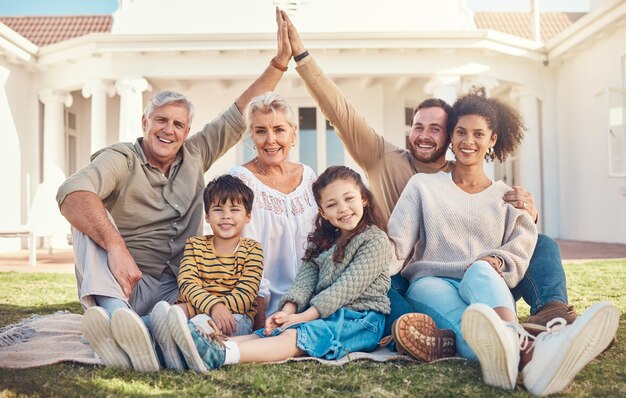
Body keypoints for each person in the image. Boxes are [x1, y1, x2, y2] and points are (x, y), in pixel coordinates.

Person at [279, 10, 574, 337]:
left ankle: (551, 313)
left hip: (478, 275)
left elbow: (504, 227)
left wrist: (529, 215)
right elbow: (340, 111)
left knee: (544, 243)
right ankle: (427, 333)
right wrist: (302, 57)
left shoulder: (459, 176)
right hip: (405, 272)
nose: (424, 135)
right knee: (382, 282)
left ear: (450, 135)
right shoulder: (384, 158)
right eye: (418, 126)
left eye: (436, 129)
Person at [56, 7, 293, 371]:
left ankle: (141, 331)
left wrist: (279, 63)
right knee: (87, 214)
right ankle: (119, 320)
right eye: (161, 121)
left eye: (178, 124)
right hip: (125, 283)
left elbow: (237, 112)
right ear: (145, 122)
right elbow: (72, 193)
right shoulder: (122, 158)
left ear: (187, 130)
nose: (169, 131)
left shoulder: (195, 153)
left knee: (184, 311)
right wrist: (116, 247)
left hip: (179, 292)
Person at [389, 89, 619, 396]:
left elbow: (526, 241)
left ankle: (520, 353)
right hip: (432, 281)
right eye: (460, 133)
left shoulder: (509, 196)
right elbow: (398, 244)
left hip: (486, 281)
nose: (468, 142)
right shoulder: (422, 186)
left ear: (492, 140)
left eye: (478, 134)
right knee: (470, 324)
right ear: (451, 138)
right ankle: (534, 353)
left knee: (482, 273)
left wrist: (497, 260)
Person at [165, 165, 391, 371]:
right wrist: (287, 312)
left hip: (361, 320)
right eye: (332, 204)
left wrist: (302, 317)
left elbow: (344, 288)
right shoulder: (325, 241)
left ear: (363, 199)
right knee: (269, 332)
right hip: (324, 315)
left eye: (349, 199)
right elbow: (304, 281)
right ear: (322, 212)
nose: (343, 209)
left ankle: (222, 354)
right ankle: (197, 347)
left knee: (298, 334)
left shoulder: (375, 240)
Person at [149, 175, 263, 369]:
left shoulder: (253, 250)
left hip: (235, 318)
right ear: (208, 216)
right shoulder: (195, 245)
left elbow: (246, 295)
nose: (226, 216)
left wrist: (211, 309)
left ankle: (171, 350)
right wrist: (211, 306)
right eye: (218, 209)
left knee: (193, 321)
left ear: (247, 216)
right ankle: (133, 336)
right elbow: (186, 283)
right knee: (163, 314)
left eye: (234, 210)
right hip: (201, 309)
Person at [229, 92, 317, 327]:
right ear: (251, 136)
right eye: (261, 131)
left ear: (293, 132)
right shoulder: (241, 180)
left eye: (279, 130)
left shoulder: (309, 177)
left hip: (312, 302)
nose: (271, 140)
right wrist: (259, 320)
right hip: (264, 308)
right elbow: (246, 259)